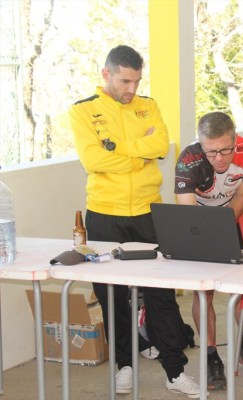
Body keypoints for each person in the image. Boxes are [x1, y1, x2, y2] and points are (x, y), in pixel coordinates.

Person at [70, 45, 201, 397]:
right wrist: (137, 152)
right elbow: (93, 160)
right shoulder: (83, 111)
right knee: (111, 296)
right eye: (125, 81)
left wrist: (116, 148)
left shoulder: (148, 106)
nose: (132, 89)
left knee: (161, 294)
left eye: (137, 81)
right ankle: (124, 365)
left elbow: (161, 146)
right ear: (106, 75)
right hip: (104, 214)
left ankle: (175, 371)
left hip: (147, 212)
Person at [174, 111, 243, 389]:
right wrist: (206, 241)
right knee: (203, 292)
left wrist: (223, 230)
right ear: (201, 144)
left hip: (228, 217)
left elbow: (241, 198)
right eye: (211, 152)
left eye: (226, 150)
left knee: (240, 288)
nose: (219, 158)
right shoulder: (189, 160)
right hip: (197, 222)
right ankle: (211, 355)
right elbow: (189, 215)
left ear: (236, 140)